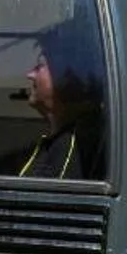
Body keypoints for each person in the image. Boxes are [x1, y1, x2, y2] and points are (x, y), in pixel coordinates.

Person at [19, 23, 107, 180]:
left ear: (66, 76)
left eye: (39, 66)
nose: (30, 75)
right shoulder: (58, 144)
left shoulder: (76, 148)